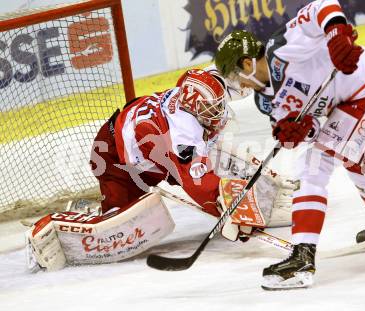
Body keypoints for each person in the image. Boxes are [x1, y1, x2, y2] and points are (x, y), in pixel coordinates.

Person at [214, 0, 365, 290]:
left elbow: (324, 5)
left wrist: (337, 35)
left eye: (234, 76)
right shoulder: (266, 100)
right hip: (356, 104)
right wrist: (301, 131)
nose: (238, 85)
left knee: (313, 166)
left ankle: (302, 257)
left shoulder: (284, 47)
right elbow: (304, 132)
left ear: (247, 64)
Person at [25, 69, 296, 272]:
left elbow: (220, 84)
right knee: (120, 225)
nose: (217, 114)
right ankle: (60, 223)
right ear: (193, 107)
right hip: (116, 160)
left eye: (217, 106)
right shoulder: (182, 133)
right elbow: (198, 184)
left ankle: (267, 193)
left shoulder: (190, 99)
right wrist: (226, 209)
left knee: (214, 160)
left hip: (154, 154)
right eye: (210, 109)